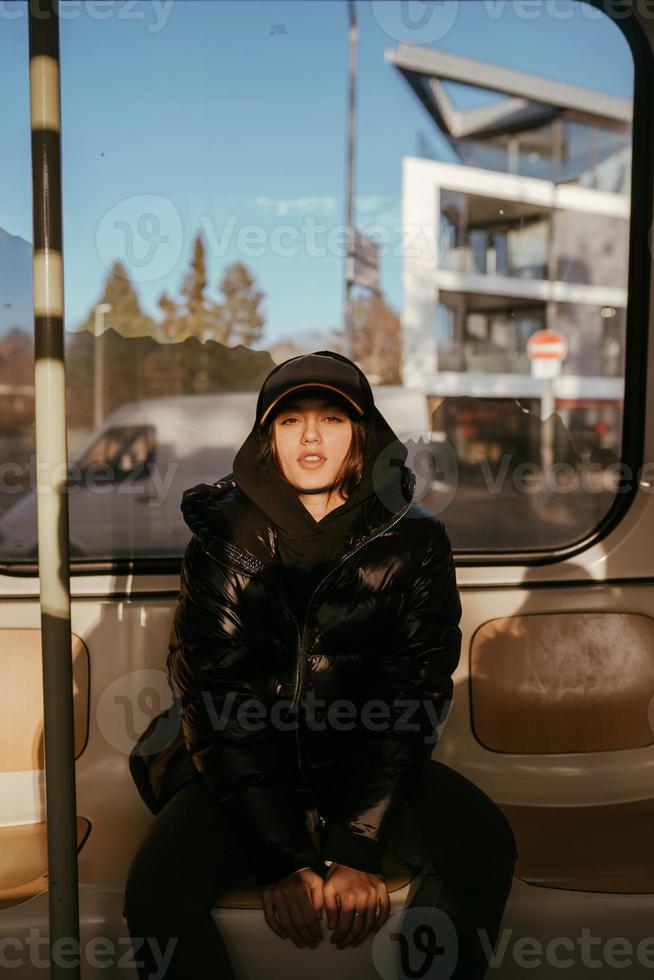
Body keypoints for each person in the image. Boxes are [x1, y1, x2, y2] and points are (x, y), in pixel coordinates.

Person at [123, 351, 518, 979]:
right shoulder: (222, 540)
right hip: (244, 766)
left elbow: (412, 694)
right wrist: (279, 858)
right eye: (290, 421)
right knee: (156, 894)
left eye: (332, 418)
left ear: (361, 434)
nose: (311, 436)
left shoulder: (415, 542)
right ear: (267, 439)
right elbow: (217, 699)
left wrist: (357, 845)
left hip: (359, 760)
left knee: (482, 843)